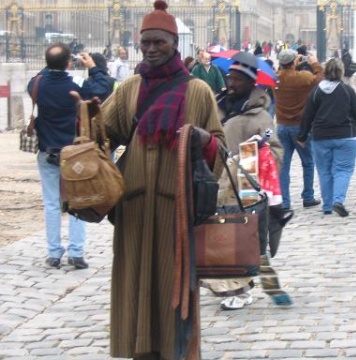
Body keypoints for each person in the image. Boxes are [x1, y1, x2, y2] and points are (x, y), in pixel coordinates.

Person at [99, 1, 225, 359]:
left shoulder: (198, 90)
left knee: (173, 284)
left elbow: (222, 148)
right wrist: (86, 119)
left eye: (159, 43)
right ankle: (139, 351)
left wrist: (205, 140)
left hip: (177, 208)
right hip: (135, 208)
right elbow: (104, 135)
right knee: (134, 280)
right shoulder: (128, 89)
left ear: (174, 44)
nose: (152, 50)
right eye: (146, 44)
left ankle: (177, 352)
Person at [203, 52, 284, 310]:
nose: (232, 83)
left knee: (240, 237)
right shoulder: (217, 105)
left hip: (243, 186)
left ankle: (241, 289)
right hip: (214, 182)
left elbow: (275, 150)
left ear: (251, 83)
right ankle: (222, 283)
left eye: (238, 79)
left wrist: (253, 154)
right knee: (217, 236)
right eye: (230, 77)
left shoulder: (261, 117)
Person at [27, 44, 110, 270]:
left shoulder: (36, 85)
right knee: (77, 200)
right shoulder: (76, 86)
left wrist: (53, 66)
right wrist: (93, 67)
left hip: (47, 150)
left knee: (52, 204)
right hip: (75, 153)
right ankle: (76, 252)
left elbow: (40, 76)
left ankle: (54, 253)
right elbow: (103, 88)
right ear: (68, 63)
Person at [297, 58, 356, 217]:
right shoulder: (347, 90)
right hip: (346, 135)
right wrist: (355, 130)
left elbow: (308, 115)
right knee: (343, 170)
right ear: (341, 72)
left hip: (321, 136)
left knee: (324, 171)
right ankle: (338, 200)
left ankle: (327, 206)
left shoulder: (316, 91)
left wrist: (302, 135)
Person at [273, 48, 323, 211]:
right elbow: (319, 79)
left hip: (281, 126)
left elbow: (281, 71)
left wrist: (293, 60)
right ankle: (308, 196)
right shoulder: (302, 77)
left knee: (284, 166)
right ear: (294, 62)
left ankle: (285, 202)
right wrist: (314, 63)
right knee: (308, 162)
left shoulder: (276, 79)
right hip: (300, 126)